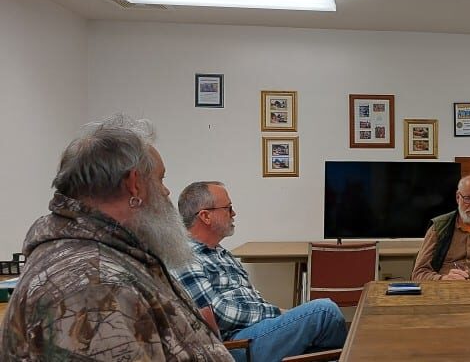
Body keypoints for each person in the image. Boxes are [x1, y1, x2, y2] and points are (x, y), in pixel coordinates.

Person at [0, 115, 231, 360]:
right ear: (134, 185)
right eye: (160, 179)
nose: (166, 191)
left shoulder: (115, 256)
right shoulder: (89, 287)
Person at [175, 181, 347, 362]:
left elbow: (252, 299)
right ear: (205, 216)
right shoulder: (185, 258)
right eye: (228, 208)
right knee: (325, 312)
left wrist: (282, 316)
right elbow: (220, 312)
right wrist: (279, 313)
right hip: (237, 345)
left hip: (257, 333)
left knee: (322, 339)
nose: (233, 213)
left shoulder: (221, 253)